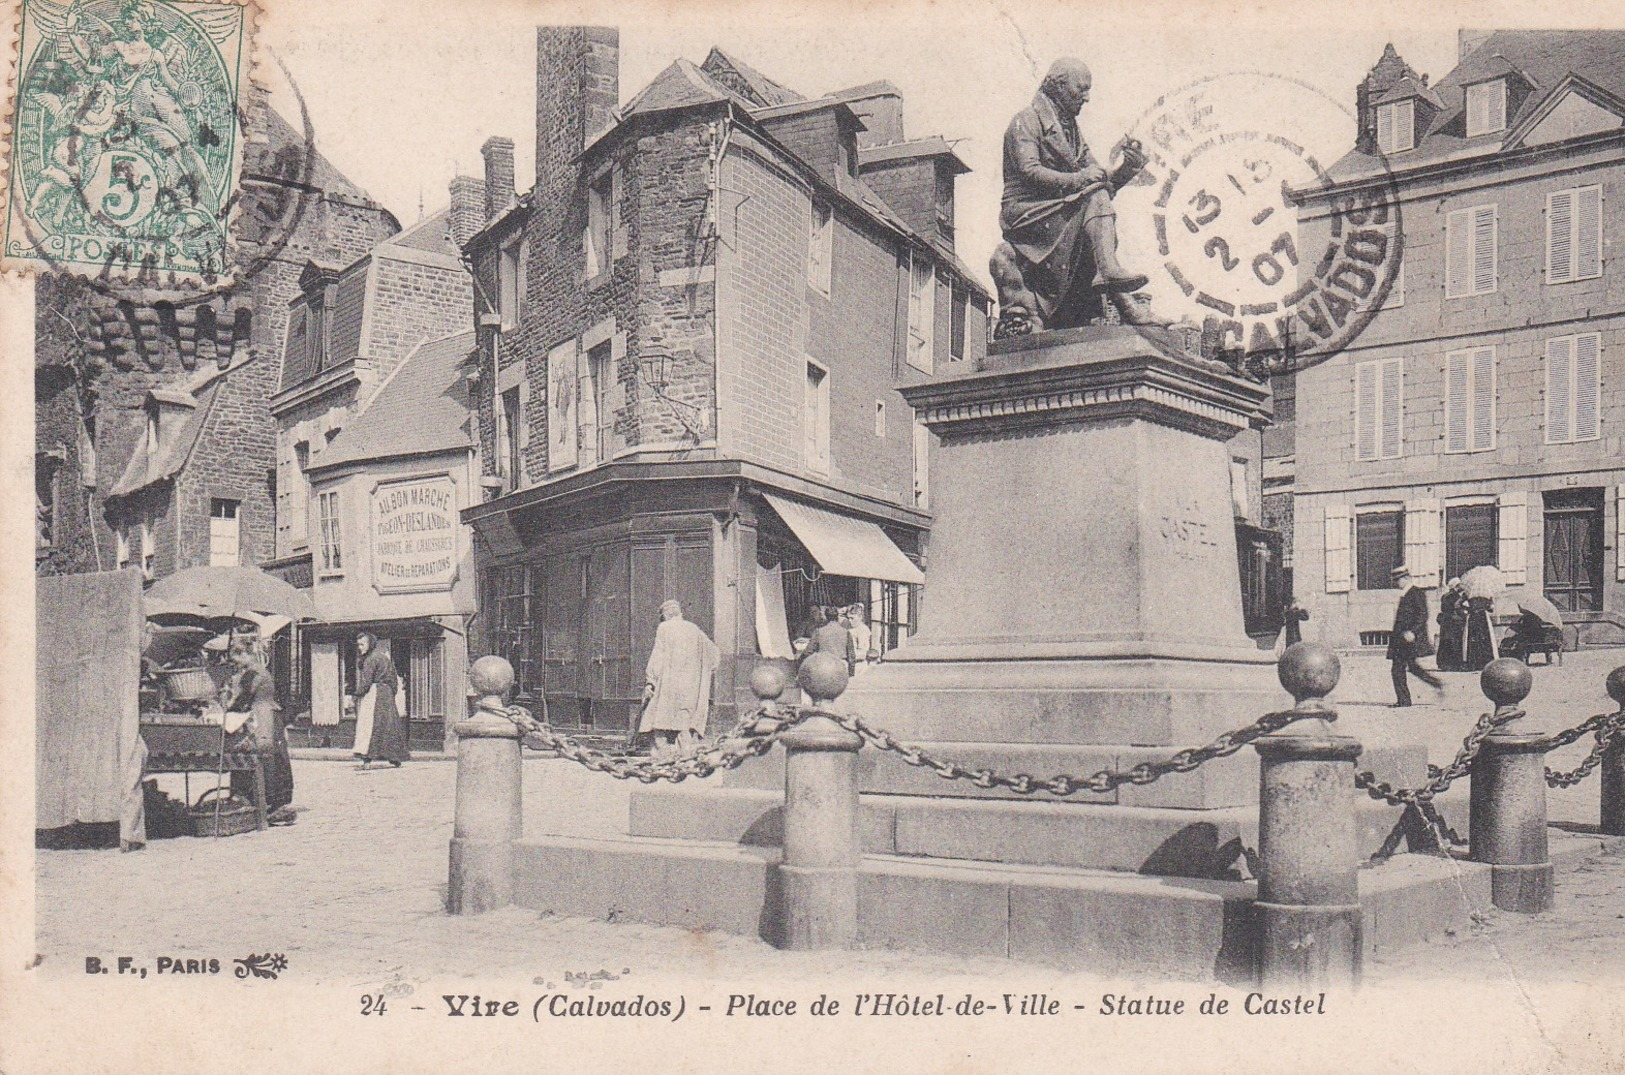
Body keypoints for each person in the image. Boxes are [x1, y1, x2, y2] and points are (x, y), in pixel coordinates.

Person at [989, 58, 1161, 334]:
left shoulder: (1070, 129)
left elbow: (1100, 182)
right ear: (1059, 86)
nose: (1087, 97)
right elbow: (1030, 171)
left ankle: (1111, 276)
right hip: (1027, 212)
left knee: (1096, 195)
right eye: (1081, 89)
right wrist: (1080, 179)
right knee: (1093, 196)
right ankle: (1116, 286)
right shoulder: (1026, 121)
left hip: (1057, 208)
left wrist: (1128, 168)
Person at [223, 636, 295, 825]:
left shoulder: (252, 674)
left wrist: (228, 706)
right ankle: (276, 801)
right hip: (271, 713)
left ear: (244, 654)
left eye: (236, 659)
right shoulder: (260, 671)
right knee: (274, 757)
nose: (236, 663)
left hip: (262, 716)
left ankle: (265, 801)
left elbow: (243, 698)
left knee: (263, 754)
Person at [640, 600, 720, 760]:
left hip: (669, 682)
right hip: (690, 683)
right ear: (680, 613)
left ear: (664, 616)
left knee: (659, 715)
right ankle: (686, 752)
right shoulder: (694, 629)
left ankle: (661, 753)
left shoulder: (664, 628)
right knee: (684, 718)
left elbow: (658, 655)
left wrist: (651, 680)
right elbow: (714, 655)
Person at [348, 632, 409, 769]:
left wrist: (356, 694)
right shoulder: (384, 658)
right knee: (388, 726)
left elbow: (366, 682)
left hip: (374, 694)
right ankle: (394, 758)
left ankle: (367, 759)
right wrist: (390, 693)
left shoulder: (370, 660)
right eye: (358, 645)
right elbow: (394, 680)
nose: (360, 648)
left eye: (362, 644)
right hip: (387, 694)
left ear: (370, 645)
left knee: (370, 725)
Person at [1387, 565, 1443, 707]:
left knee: (1398, 669)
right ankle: (1436, 683)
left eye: (1398, 580)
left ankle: (1404, 700)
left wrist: (1413, 631)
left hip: (1408, 639)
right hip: (1402, 639)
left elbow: (1423, 615)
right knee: (1411, 667)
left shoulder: (1416, 593)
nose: (1396, 583)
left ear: (1406, 578)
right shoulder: (1406, 594)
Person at [804, 604, 857, 675]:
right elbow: (851, 656)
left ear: (826, 617)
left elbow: (808, 651)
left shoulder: (819, 632)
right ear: (837, 617)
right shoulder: (846, 632)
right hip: (841, 666)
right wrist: (851, 673)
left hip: (824, 667)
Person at [1436, 578, 1467, 671]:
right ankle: (1453, 664)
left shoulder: (1445, 595)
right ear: (1456, 586)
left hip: (1446, 622)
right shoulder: (1454, 596)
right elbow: (1456, 608)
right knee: (1454, 642)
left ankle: (1443, 663)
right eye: (1460, 585)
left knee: (1445, 642)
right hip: (1453, 622)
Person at [1462, 594, 1499, 672]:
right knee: (1485, 639)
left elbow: (1459, 605)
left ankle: (1473, 664)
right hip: (1483, 618)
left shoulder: (1468, 594)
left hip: (1473, 617)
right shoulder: (1486, 595)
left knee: (1473, 640)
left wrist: (1469, 608)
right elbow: (1491, 609)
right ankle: (1485, 663)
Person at [844, 603, 876, 671]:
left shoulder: (863, 630)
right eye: (848, 618)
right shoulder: (849, 628)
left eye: (852, 618)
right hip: (851, 663)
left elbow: (863, 652)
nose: (850, 621)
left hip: (859, 665)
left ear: (860, 617)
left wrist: (848, 655)